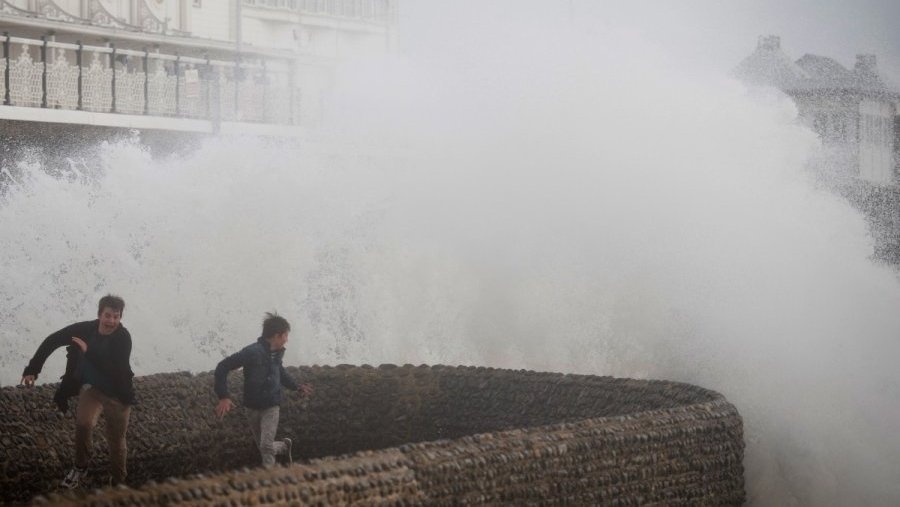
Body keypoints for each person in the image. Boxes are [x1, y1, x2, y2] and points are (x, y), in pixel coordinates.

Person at [20, 294, 135, 488]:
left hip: (117, 394)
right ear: (100, 314)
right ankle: (80, 466)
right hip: (92, 390)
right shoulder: (85, 330)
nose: (112, 321)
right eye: (108, 316)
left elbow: (117, 371)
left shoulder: (123, 338)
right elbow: (53, 339)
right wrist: (33, 369)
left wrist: (88, 352)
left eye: (116, 316)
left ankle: (118, 481)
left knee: (116, 442)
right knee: (83, 424)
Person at [214, 312, 313, 468]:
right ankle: (285, 447)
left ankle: (270, 479)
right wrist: (223, 396)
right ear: (277, 335)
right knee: (264, 447)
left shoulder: (277, 354)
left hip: (271, 406)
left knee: (266, 446)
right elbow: (223, 366)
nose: (287, 339)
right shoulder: (251, 352)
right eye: (286, 335)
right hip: (251, 406)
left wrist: (296, 387)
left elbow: (280, 372)